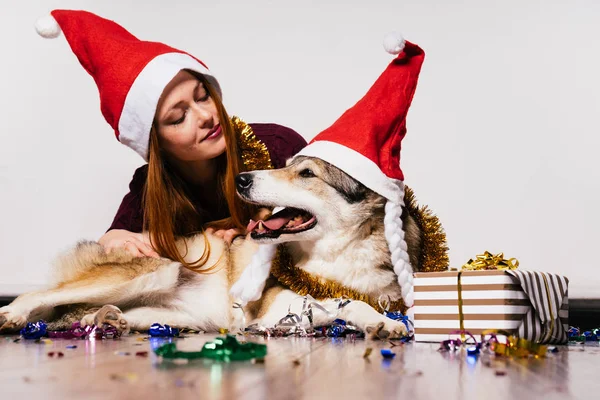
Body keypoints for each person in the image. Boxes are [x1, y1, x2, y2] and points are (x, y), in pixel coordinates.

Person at [35, 10, 306, 269]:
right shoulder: (149, 187)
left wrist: (261, 228)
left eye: (203, 96)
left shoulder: (277, 146)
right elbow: (112, 238)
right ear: (156, 144)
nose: (206, 116)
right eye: (178, 117)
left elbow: (330, 213)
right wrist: (115, 241)